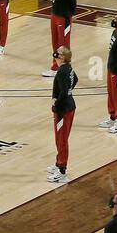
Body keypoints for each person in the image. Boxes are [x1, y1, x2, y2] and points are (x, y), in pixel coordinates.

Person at [48, 45, 77, 184]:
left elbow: (64, 93)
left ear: (63, 57)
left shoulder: (62, 72)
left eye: (57, 53)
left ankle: (62, 171)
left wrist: (56, 104)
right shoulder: (68, 69)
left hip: (63, 110)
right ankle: (58, 163)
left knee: (62, 140)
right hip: (68, 107)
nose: (55, 55)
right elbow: (75, 80)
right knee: (60, 138)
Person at [43, 0, 76, 77]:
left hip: (64, 17)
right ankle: (55, 66)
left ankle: (66, 69)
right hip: (55, 15)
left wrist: (70, 15)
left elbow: (72, 1)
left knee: (63, 44)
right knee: (55, 42)